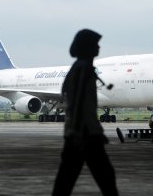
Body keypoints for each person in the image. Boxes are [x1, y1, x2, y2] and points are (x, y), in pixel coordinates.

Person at [52, 29, 119, 196]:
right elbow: (80, 104)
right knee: (105, 177)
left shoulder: (82, 68)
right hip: (84, 135)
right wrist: (88, 132)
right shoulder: (83, 70)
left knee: (66, 180)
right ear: (86, 47)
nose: (99, 47)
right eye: (95, 44)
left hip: (80, 134)